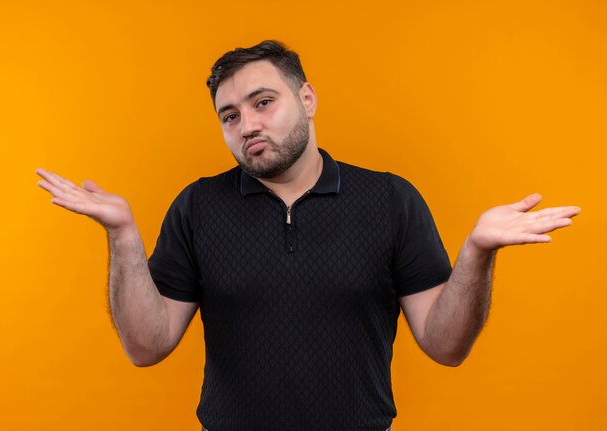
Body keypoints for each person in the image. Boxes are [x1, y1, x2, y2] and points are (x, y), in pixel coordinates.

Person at [36, 40, 580, 431]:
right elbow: (146, 346)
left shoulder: (390, 200)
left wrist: (478, 252)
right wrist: (123, 235)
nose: (247, 124)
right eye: (229, 115)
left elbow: (446, 346)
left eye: (262, 102)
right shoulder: (198, 206)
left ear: (308, 99)